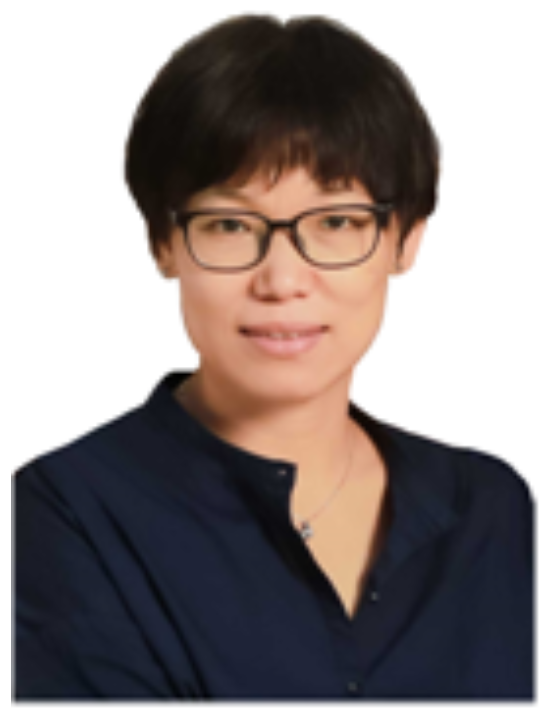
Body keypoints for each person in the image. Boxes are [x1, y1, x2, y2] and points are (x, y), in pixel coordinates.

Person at [14, 14, 534, 700]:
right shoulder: (62, 514)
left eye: (337, 221)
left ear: (406, 239)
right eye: (229, 224)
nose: (282, 280)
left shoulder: (493, 511)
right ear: (163, 243)